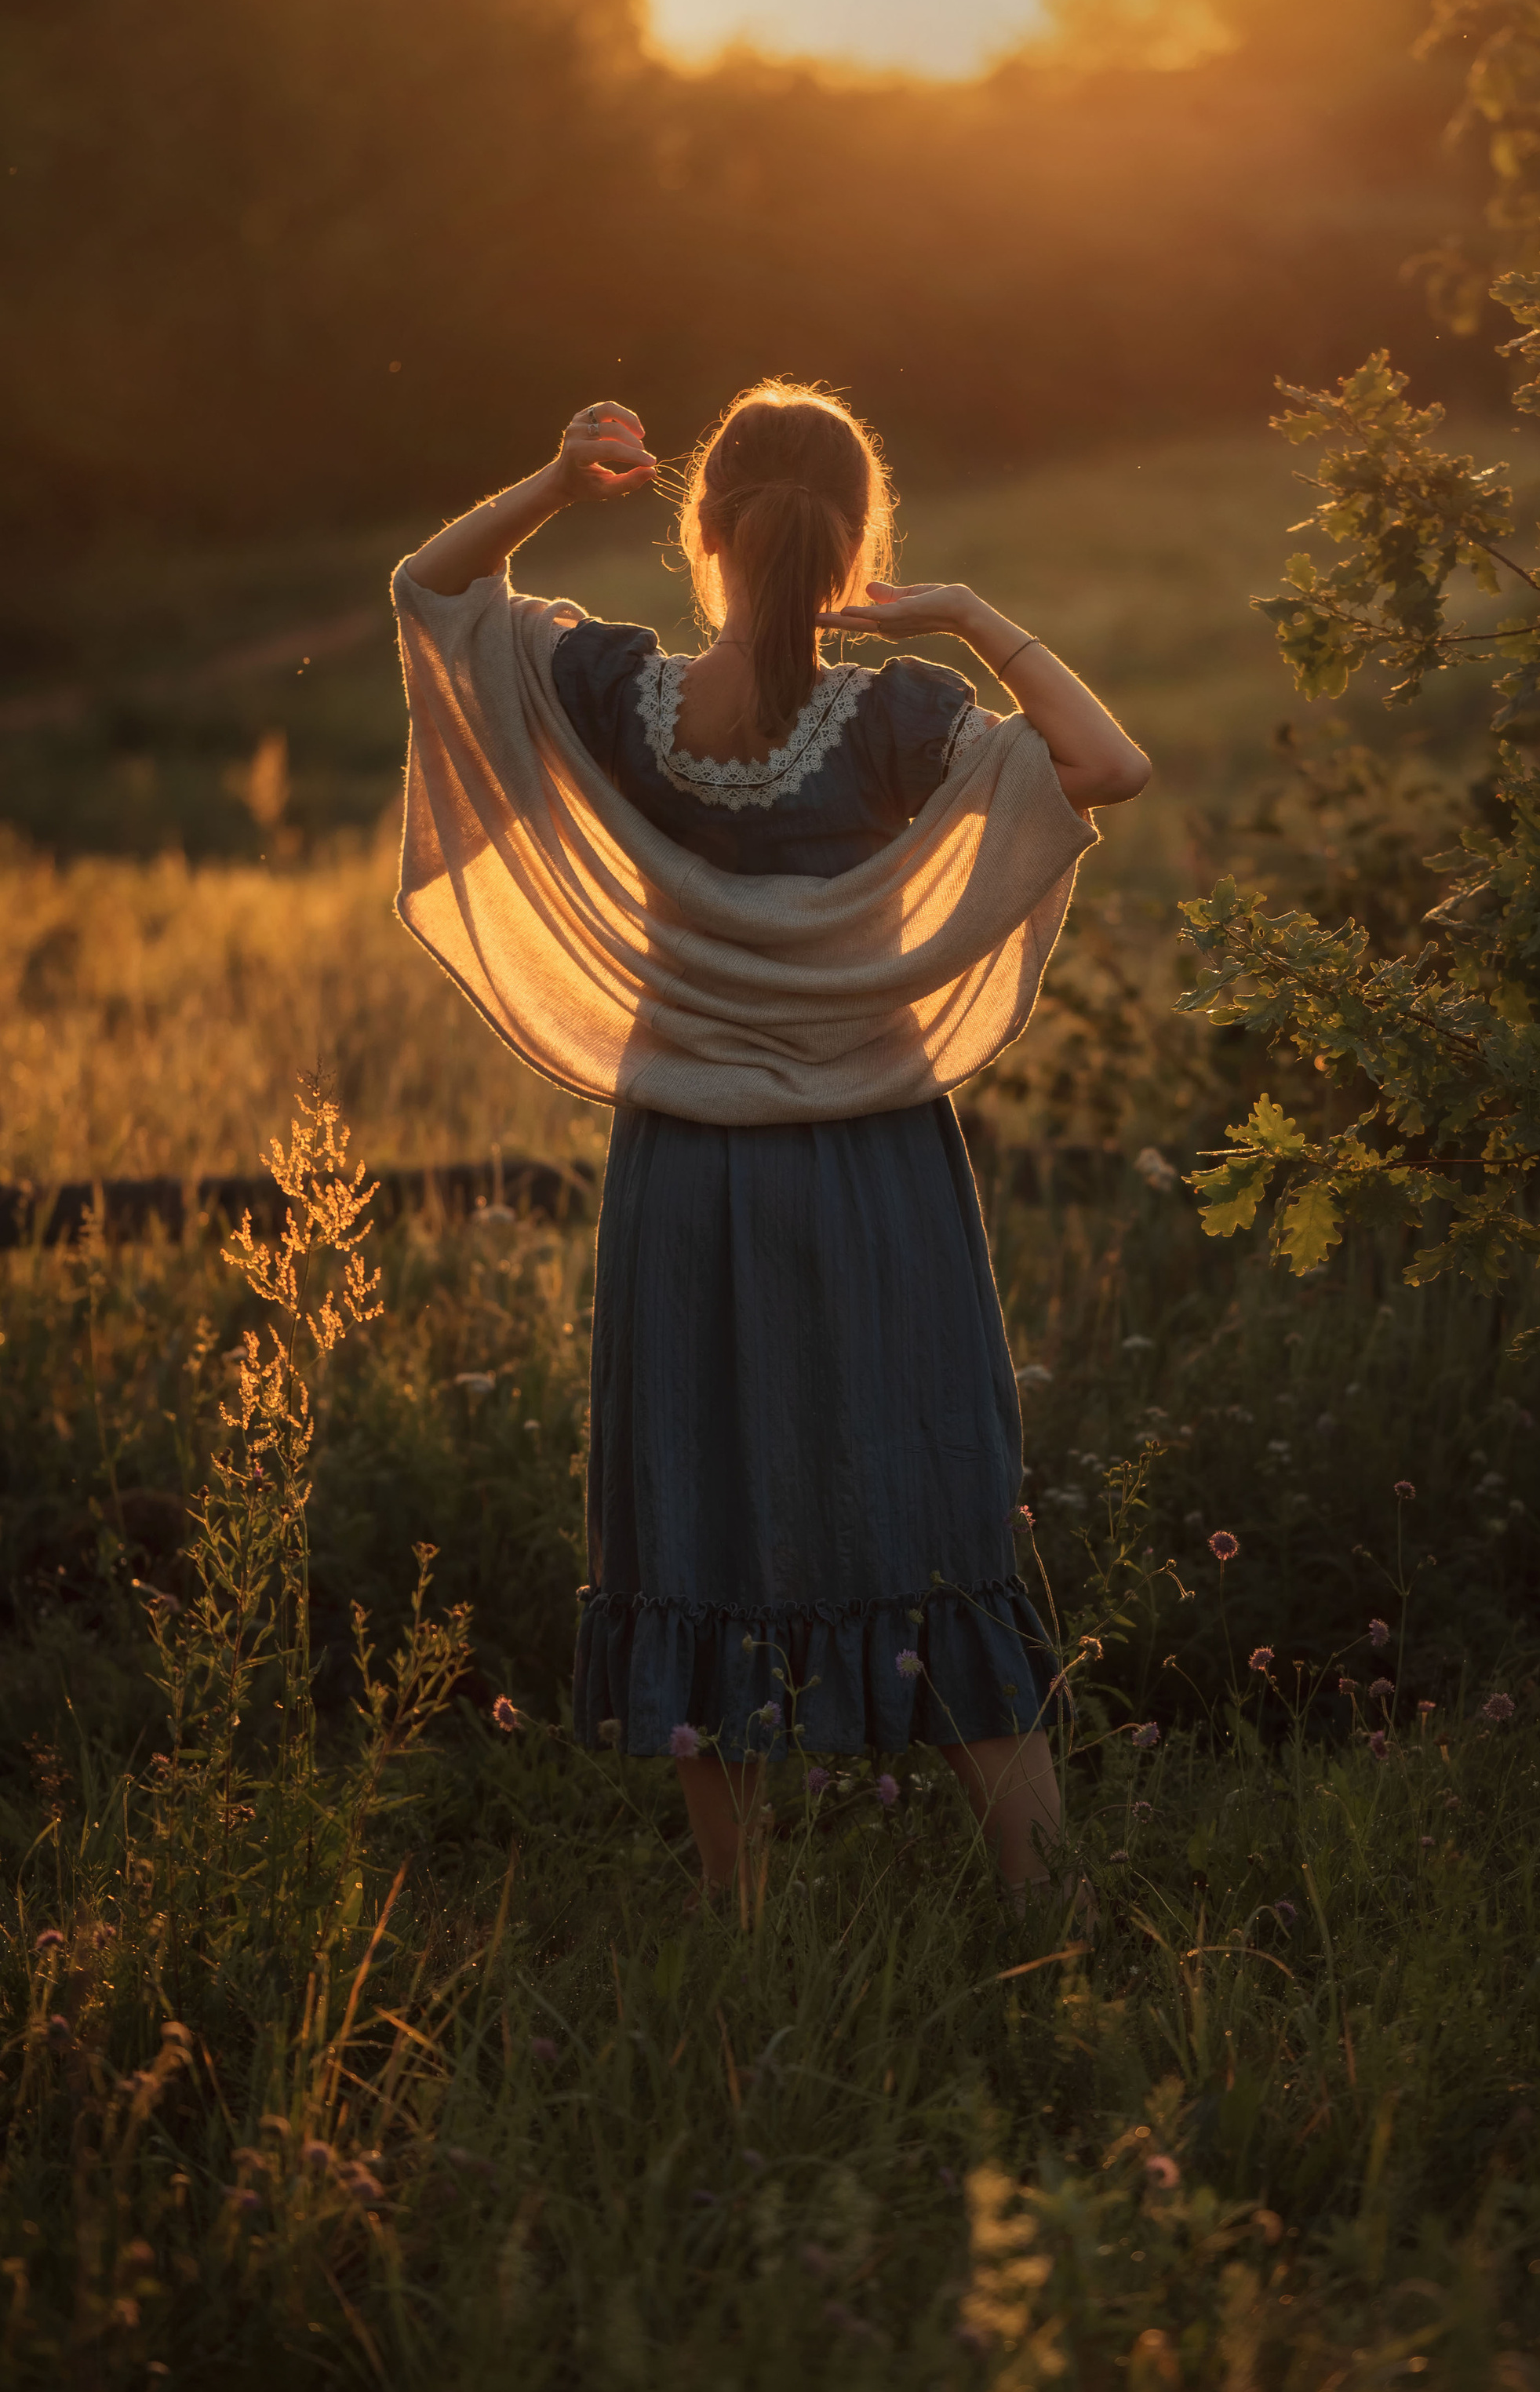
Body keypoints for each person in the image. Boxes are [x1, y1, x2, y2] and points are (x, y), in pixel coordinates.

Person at [394, 379, 1150, 1899]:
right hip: (874, 1173)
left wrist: (554, 482)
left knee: (702, 1494)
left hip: (686, 1172)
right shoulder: (898, 714)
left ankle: (739, 1921)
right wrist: (966, 618)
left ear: (706, 534)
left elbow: (429, 590)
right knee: (919, 1494)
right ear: (852, 543)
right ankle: (1043, 1897)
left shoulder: (621, 698)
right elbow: (1107, 768)